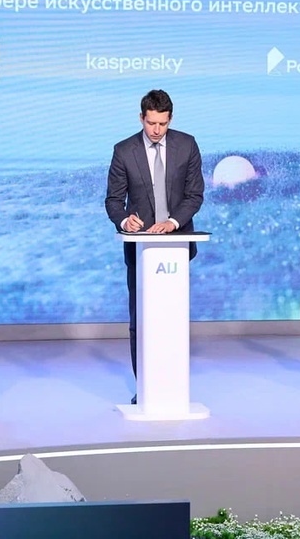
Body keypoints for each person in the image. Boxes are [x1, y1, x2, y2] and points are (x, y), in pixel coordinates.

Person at [105, 89, 204, 400]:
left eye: (162, 124)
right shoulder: (124, 151)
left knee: (171, 316)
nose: (156, 130)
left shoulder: (187, 145)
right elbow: (113, 201)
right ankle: (145, 386)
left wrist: (173, 223)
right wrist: (125, 221)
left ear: (170, 119)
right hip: (141, 250)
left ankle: (172, 384)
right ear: (141, 118)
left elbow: (194, 196)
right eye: (151, 123)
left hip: (177, 245)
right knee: (142, 318)